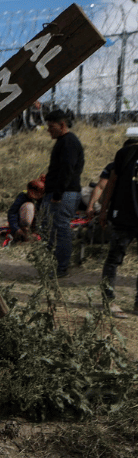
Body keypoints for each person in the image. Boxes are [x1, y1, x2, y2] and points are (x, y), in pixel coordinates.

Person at [97, 128, 138, 318]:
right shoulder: (126, 153)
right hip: (124, 217)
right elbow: (111, 183)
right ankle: (108, 301)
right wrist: (104, 210)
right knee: (114, 259)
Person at [41, 109, 85, 278]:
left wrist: (57, 194)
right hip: (60, 192)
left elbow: (67, 169)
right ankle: (53, 265)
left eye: (51, 126)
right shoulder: (63, 142)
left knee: (59, 230)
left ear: (62, 125)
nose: (48, 130)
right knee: (51, 230)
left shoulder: (69, 142)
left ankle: (60, 268)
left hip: (63, 194)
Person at [4, 178, 44, 244]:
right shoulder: (23, 197)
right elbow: (12, 213)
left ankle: (32, 234)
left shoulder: (42, 200)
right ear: (30, 191)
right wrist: (16, 229)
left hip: (36, 225)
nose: (40, 195)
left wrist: (38, 231)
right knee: (28, 206)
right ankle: (23, 232)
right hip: (23, 224)